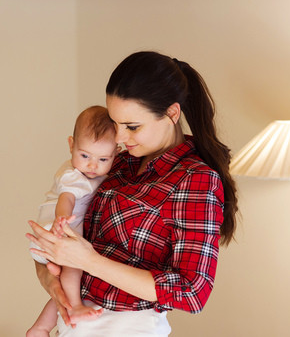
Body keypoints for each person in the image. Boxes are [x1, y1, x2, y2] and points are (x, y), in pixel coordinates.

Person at [27, 51, 238, 336]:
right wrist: (51, 281)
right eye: (115, 123)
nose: (120, 138)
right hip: (75, 322)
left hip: (127, 326)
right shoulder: (116, 164)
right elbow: (68, 239)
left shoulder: (195, 179)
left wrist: (88, 261)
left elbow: (192, 292)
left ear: (172, 114)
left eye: (132, 126)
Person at [27, 106, 119, 337]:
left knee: (69, 283)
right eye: (85, 155)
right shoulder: (73, 175)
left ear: (115, 153)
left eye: (103, 159)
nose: (92, 165)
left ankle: (41, 327)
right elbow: (66, 199)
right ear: (71, 145)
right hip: (56, 231)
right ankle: (76, 308)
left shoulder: (95, 172)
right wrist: (62, 221)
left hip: (54, 236)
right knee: (75, 269)